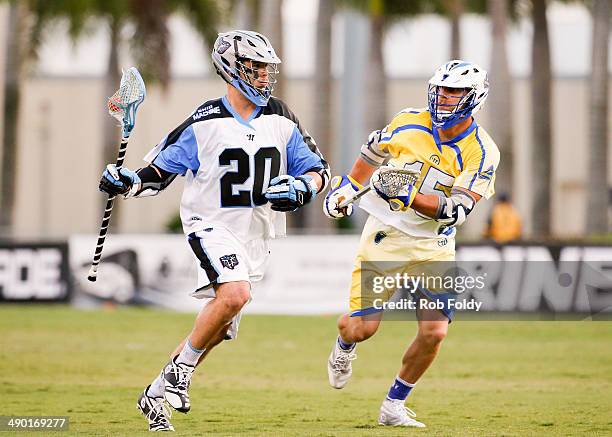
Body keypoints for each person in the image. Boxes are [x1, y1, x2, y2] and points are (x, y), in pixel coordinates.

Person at [99, 30, 329, 432]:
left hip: (256, 233)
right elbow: (158, 173)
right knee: (236, 293)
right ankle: (178, 372)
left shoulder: (282, 115)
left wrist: (300, 187)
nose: (262, 77)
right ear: (230, 67)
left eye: (265, 69)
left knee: (220, 327)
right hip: (210, 225)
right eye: (253, 67)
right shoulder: (204, 121)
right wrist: (128, 182)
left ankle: (155, 393)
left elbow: (318, 170)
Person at [323, 60, 500, 428]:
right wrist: (348, 188)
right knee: (363, 329)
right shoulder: (408, 120)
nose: (444, 97)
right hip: (387, 235)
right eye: (441, 88)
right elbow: (373, 151)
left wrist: (409, 195)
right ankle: (344, 348)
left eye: (455, 91)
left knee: (435, 331)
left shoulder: (482, 150)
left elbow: (457, 210)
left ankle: (393, 406)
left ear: (475, 97)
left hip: (434, 245)